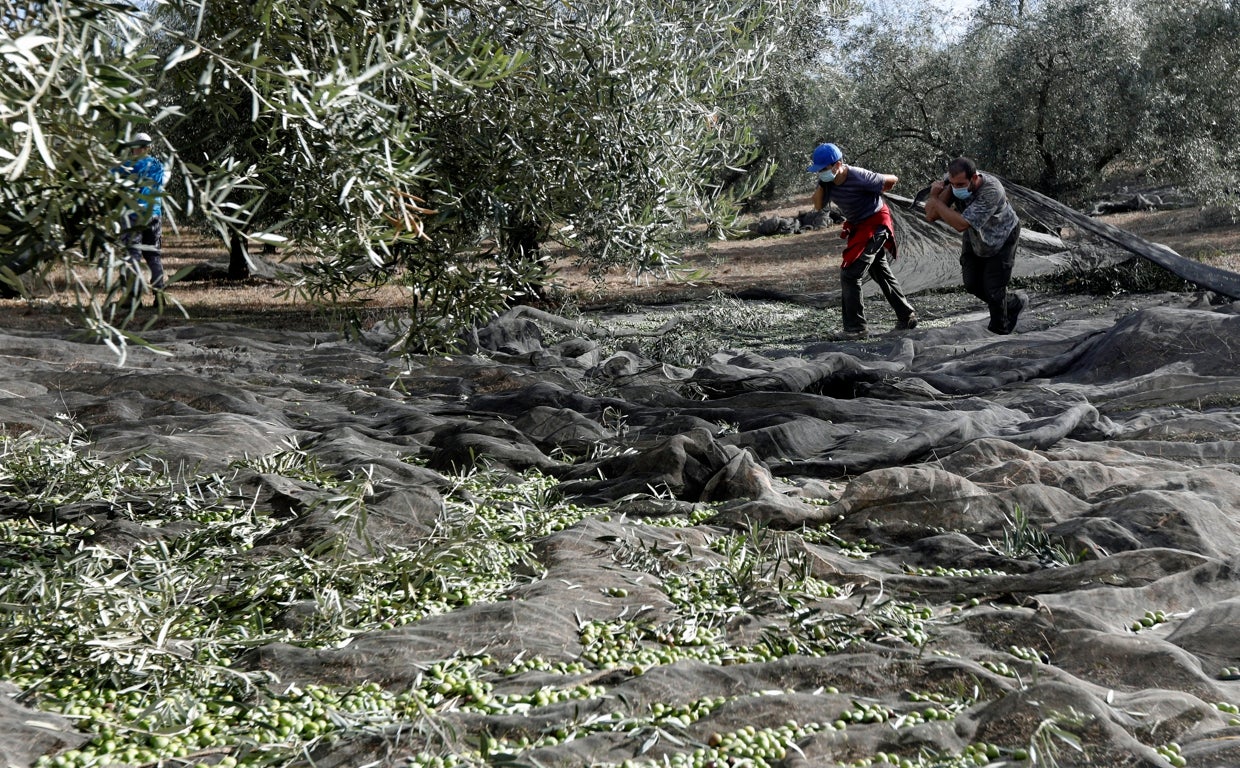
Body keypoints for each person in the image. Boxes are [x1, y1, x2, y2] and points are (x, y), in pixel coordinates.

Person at [807, 142, 917, 338]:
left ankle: (856, 328)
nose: (821, 173)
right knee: (879, 271)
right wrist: (823, 182)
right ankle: (906, 315)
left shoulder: (859, 175)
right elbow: (817, 205)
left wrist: (879, 189)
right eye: (819, 171)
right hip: (859, 226)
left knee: (850, 273)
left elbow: (892, 180)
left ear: (837, 164)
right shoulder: (827, 182)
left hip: (876, 224)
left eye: (824, 169)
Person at [923, 156, 1026, 334]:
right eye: (953, 184)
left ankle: (999, 332)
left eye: (961, 184)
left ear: (974, 178)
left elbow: (960, 224)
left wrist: (937, 201)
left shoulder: (991, 190)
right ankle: (1012, 303)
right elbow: (931, 215)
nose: (957, 188)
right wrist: (935, 195)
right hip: (975, 236)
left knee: (994, 288)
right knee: (971, 283)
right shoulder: (952, 182)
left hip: (1002, 236)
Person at [114, 132, 168, 293]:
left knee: (133, 255)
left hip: (134, 215)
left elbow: (110, 177)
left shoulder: (130, 165)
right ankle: (159, 293)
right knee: (153, 255)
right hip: (154, 215)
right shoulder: (158, 165)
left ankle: (133, 295)